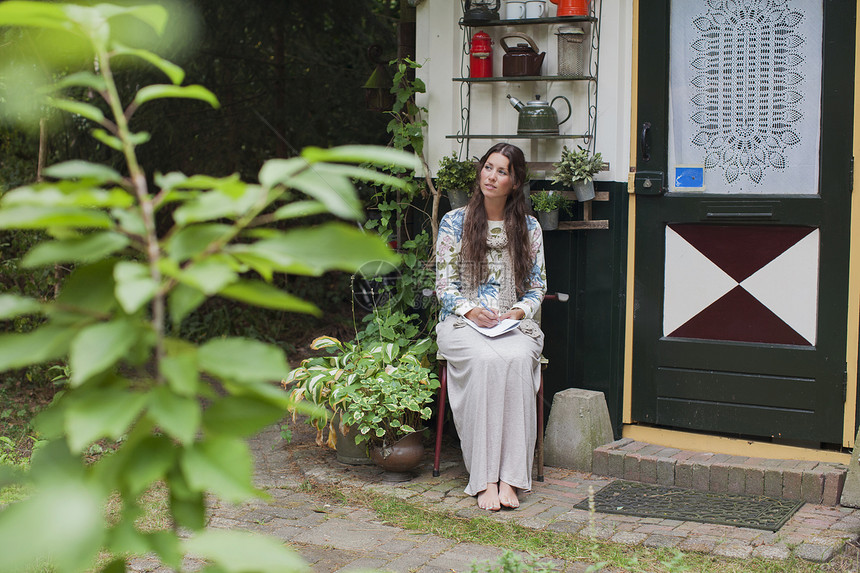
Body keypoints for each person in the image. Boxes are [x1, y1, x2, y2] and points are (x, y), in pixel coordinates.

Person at [435, 142, 547, 511]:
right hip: (461, 324)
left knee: (515, 360)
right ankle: (484, 479)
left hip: (511, 325)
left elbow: (536, 287)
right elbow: (444, 286)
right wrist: (469, 311)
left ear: (515, 182)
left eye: (502, 171)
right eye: (488, 167)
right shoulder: (455, 221)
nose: (491, 176)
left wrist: (516, 313)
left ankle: (511, 478)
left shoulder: (528, 227)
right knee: (485, 362)